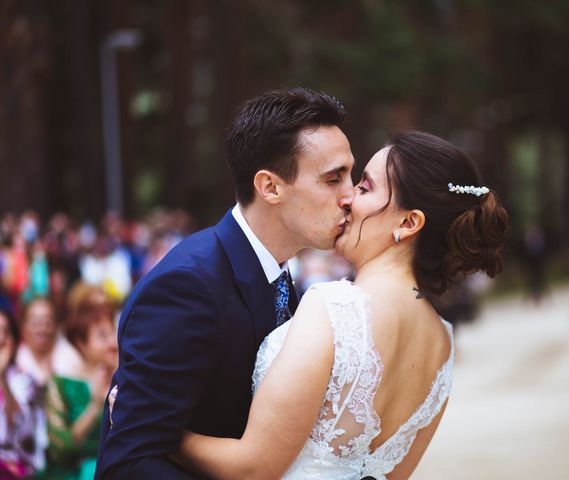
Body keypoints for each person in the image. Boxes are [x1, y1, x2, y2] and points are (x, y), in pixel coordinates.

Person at [175, 131, 509, 479]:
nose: (347, 198)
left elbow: (253, 469)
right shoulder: (442, 343)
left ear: (408, 223)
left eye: (365, 188)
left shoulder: (334, 308)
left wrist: (166, 435)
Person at [94, 87, 355, 479]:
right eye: (333, 179)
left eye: (351, 176)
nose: (350, 195)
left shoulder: (285, 281)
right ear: (270, 187)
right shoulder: (188, 287)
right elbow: (129, 462)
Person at [42, 290, 117, 480]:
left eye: (113, 333)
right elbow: (60, 450)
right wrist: (93, 406)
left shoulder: (123, 380)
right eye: (102, 335)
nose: (112, 342)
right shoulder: (61, 384)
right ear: (81, 343)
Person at [0, 306, 47, 478]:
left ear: (11, 341)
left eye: (3, 331)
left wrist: (2, 376)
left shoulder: (26, 382)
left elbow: (18, 430)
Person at [15, 298, 83, 387]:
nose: (42, 328)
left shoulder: (70, 358)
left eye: (47, 321)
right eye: (35, 322)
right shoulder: (15, 359)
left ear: (57, 326)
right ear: (23, 327)